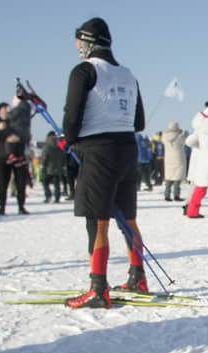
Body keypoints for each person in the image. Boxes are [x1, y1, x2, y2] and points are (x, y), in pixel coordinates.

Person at [61, 16, 148, 308]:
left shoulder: (84, 71)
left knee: (97, 222)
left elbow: (72, 115)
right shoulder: (127, 74)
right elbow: (139, 122)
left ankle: (98, 289)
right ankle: (139, 277)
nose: (77, 48)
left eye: (78, 43)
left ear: (87, 42)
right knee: (128, 218)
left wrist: (69, 138)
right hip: (127, 148)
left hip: (98, 152)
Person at [0, 101, 30, 215]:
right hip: (2, 156)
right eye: (5, 109)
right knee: (2, 183)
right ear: (0, 110)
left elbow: (26, 135)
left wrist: (18, 138)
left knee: (21, 182)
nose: (7, 111)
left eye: (8, 109)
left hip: (18, 155)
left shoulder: (16, 122)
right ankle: (2, 207)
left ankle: (21, 206)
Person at [161, 121, 188, 202]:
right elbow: (185, 140)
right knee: (177, 177)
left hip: (168, 159)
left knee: (169, 177)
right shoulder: (180, 136)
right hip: (178, 158)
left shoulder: (165, 136)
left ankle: (167, 195)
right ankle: (176, 195)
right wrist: (184, 133)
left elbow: (162, 139)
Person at [41, 132, 65, 203]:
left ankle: (48, 196)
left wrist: (43, 167)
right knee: (57, 184)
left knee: (45, 183)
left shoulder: (47, 146)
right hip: (58, 168)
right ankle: (57, 198)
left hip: (49, 169)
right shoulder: (60, 146)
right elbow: (63, 157)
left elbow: (44, 158)